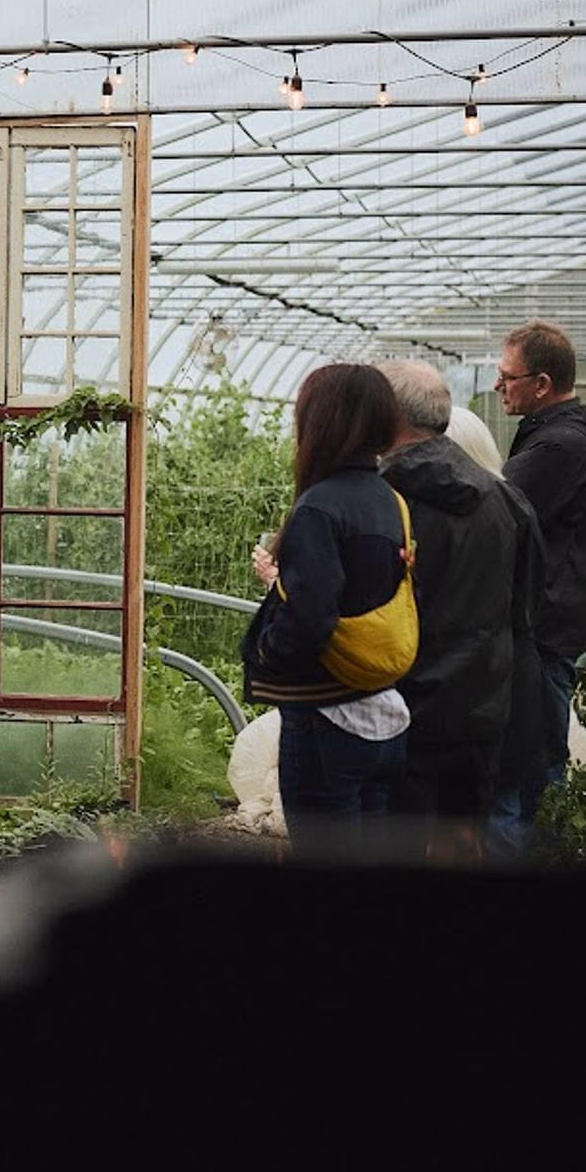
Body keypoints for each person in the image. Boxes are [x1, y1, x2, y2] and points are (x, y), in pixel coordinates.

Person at [243, 363, 417, 854]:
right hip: (383, 712)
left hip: (327, 719)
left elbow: (312, 617)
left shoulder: (320, 507)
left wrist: (269, 653)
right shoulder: (389, 500)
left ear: (319, 423)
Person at [377, 361, 544, 862]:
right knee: (463, 841)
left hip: (400, 703)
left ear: (386, 415)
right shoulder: (507, 500)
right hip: (485, 703)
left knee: (393, 845)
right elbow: (527, 605)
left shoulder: (379, 500)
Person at [495, 320, 586, 815]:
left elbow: (493, 515)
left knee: (530, 764)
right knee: (539, 757)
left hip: (545, 622)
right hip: (567, 616)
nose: (498, 386)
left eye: (507, 376)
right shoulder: (579, 433)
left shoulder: (559, 447)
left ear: (542, 384)